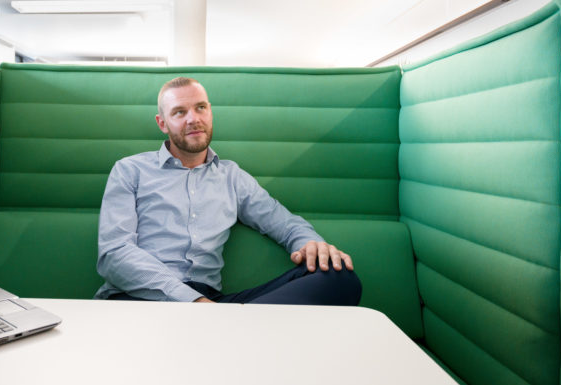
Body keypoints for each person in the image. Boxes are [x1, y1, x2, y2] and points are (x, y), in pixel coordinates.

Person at [94, 77, 361, 305]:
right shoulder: (130, 170)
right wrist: (192, 301)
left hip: (214, 306)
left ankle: (228, 332)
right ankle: (234, 336)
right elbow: (115, 253)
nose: (193, 119)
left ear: (210, 112)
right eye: (179, 112)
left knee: (339, 278)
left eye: (200, 108)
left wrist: (309, 243)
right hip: (141, 300)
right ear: (162, 123)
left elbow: (285, 223)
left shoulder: (232, 177)